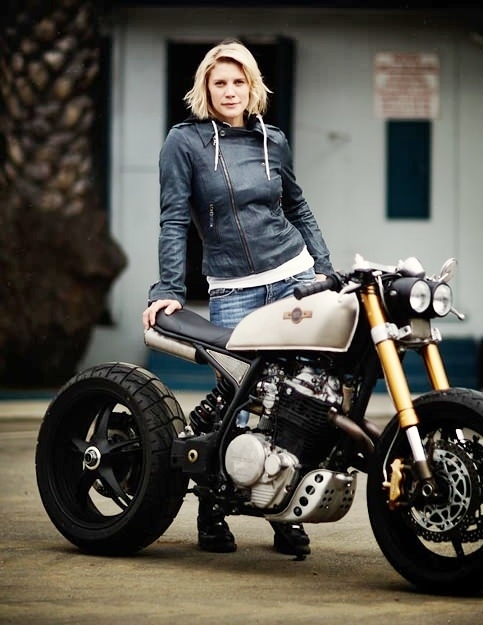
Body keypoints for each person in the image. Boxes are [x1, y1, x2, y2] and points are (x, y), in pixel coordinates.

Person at [142, 39, 334, 558]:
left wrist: (324, 269)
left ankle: (284, 514)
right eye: (219, 82)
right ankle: (211, 509)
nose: (230, 91)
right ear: (205, 89)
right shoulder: (184, 143)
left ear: (253, 87)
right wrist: (169, 289)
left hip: (292, 278)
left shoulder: (274, 140)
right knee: (235, 399)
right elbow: (174, 220)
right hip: (232, 288)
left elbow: (297, 206)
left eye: (238, 81)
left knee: (296, 401)